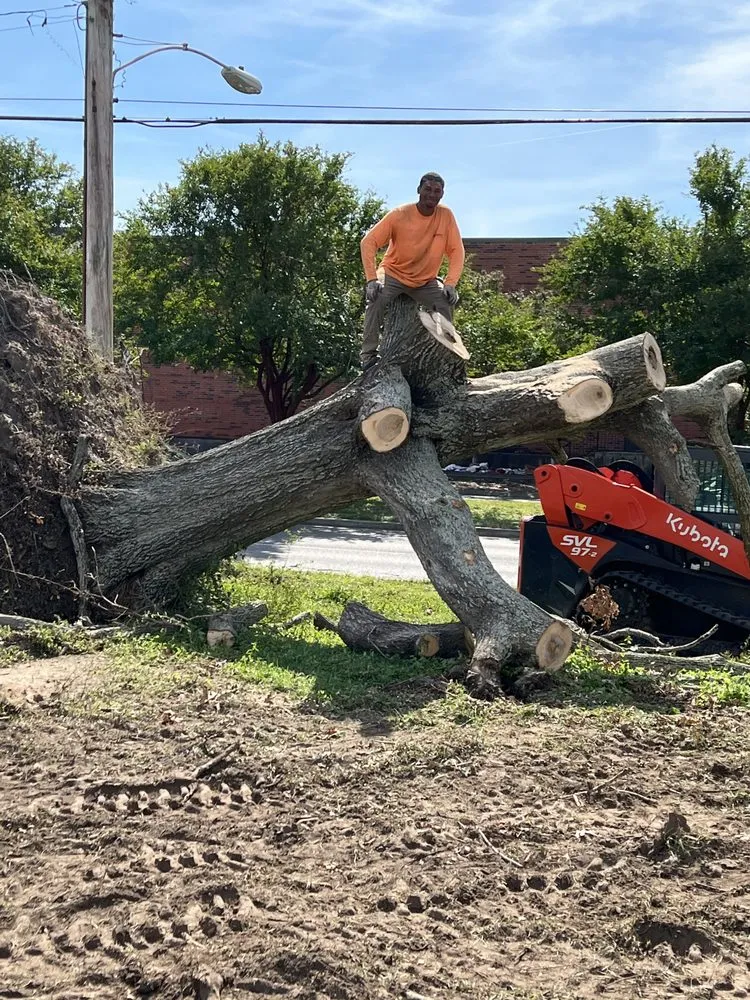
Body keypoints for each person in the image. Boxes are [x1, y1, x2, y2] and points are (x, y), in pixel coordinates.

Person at [359, 171, 465, 369]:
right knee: (376, 299)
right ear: (419, 190)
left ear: (442, 194)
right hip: (393, 273)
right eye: (428, 189)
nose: (432, 194)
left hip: (425, 281)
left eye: (437, 191)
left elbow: (457, 251)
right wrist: (372, 279)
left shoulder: (446, 216)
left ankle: (446, 356)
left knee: (445, 302)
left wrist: (451, 283)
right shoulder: (400, 214)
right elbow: (368, 242)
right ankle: (368, 356)